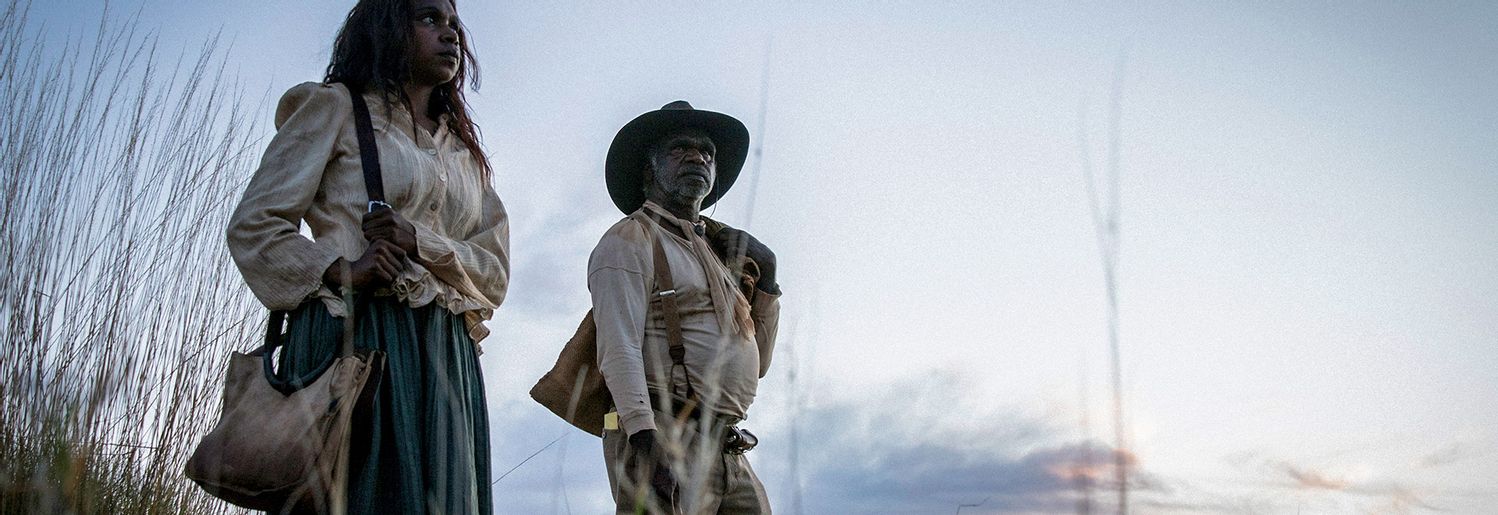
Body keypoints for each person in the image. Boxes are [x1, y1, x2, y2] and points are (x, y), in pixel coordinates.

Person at [225, 0, 505, 513]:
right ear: (386, 28)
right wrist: (339, 268)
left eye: (453, 24)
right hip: (354, 337)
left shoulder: (465, 156)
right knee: (359, 497)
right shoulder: (335, 108)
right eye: (428, 19)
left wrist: (418, 241)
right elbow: (255, 226)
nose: (450, 35)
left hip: (445, 355)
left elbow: (495, 274)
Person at [590, 101, 782, 514]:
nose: (698, 157)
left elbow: (759, 362)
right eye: (679, 149)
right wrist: (645, 441)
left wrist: (767, 275)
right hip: (663, 434)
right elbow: (617, 347)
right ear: (649, 172)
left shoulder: (719, 254)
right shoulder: (629, 240)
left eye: (707, 152)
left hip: (728, 444)